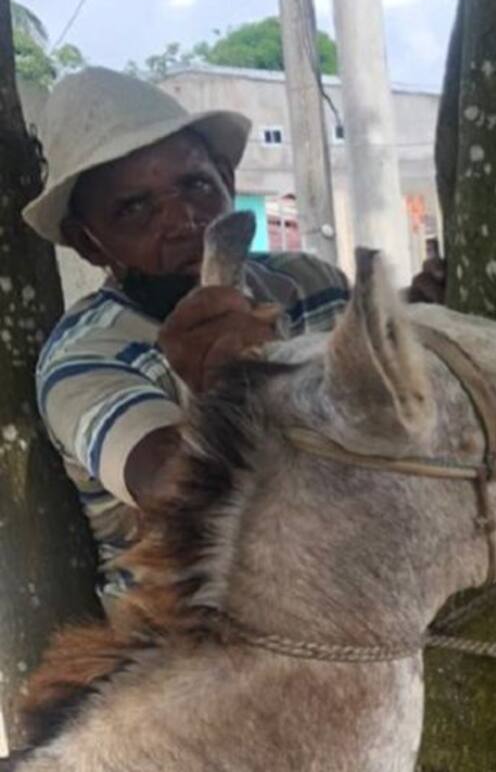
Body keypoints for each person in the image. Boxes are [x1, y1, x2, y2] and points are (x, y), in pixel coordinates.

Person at [25, 67, 350, 605]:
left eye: (196, 185)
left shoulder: (312, 283)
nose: (183, 220)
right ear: (89, 244)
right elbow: (174, 492)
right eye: (134, 209)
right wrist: (232, 389)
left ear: (227, 178)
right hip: (195, 651)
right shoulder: (84, 358)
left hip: (356, 598)